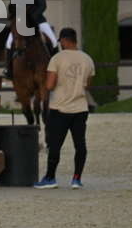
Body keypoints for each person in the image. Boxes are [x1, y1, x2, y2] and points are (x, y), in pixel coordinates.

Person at [34, 27, 95, 189]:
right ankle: (76, 178)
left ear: (65, 40)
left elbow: (49, 85)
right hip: (80, 108)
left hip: (59, 107)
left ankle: (50, 177)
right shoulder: (87, 59)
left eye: (61, 41)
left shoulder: (57, 59)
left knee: (55, 144)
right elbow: (88, 84)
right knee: (80, 144)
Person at [3, 0, 58, 80]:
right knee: (8, 43)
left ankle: (56, 68)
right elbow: (12, 5)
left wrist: (31, 17)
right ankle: (8, 69)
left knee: (53, 41)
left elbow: (42, 5)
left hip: (37, 20)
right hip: (20, 22)